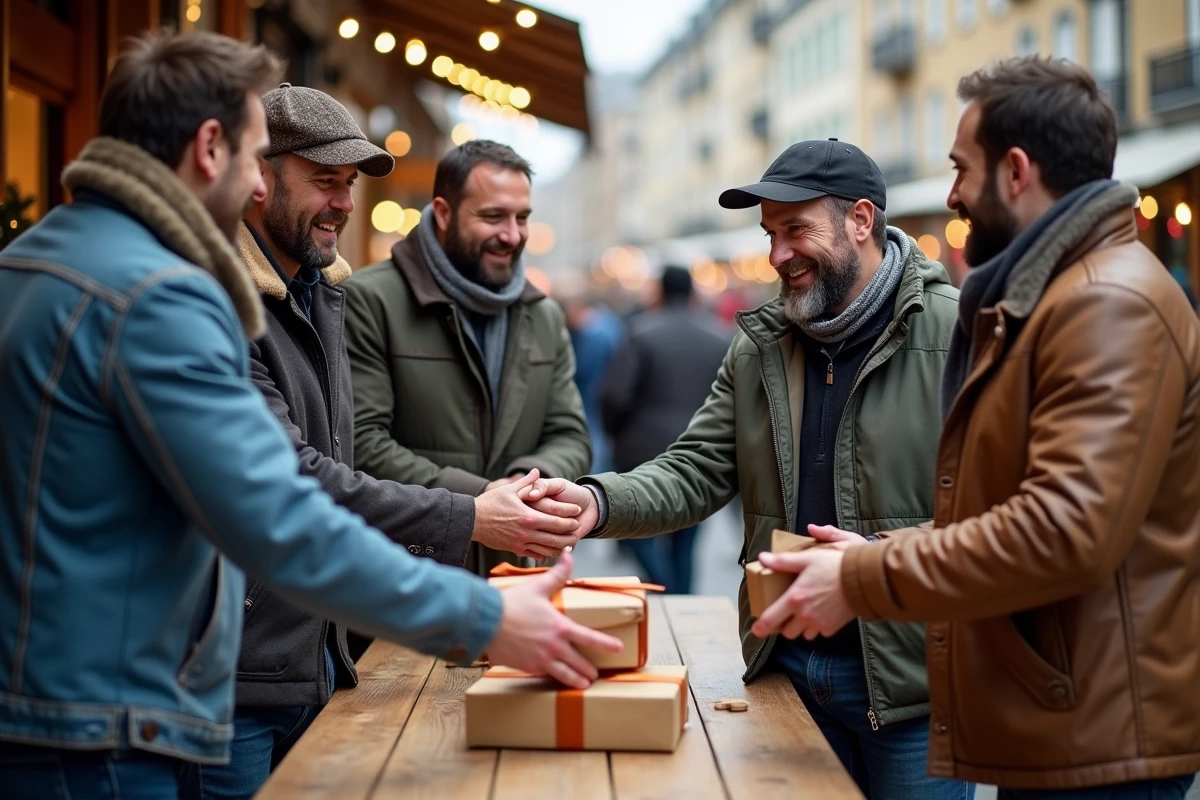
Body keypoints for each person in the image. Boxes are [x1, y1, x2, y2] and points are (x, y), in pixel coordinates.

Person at [0, 31, 619, 799]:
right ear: (210, 148)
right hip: (102, 725)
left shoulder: (39, 258)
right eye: (262, 160)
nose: (260, 189)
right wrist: (479, 612)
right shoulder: (160, 293)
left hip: (76, 704)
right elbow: (280, 509)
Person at [751, 57, 1200, 799]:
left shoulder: (1105, 303)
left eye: (963, 168)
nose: (953, 194)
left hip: (1103, 734)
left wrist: (863, 576)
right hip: (1071, 720)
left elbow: (1062, 531)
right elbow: (1012, 510)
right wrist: (878, 552)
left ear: (1016, 170)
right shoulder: (1061, 296)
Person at [180, 84, 584, 800]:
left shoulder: (321, 292)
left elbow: (566, 429)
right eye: (324, 181)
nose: (343, 202)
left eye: (349, 185)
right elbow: (310, 473)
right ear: (257, 178)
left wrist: (527, 488)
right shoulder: (224, 301)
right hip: (235, 673)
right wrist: (474, 513)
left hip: (318, 652)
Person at [536, 139, 971, 799]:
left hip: (913, 684)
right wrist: (595, 501)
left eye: (796, 229)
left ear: (861, 220)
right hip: (787, 670)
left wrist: (874, 563)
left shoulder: (958, 332)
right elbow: (697, 468)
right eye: (770, 233)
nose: (777, 255)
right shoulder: (762, 341)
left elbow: (998, 512)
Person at [343, 140, 592, 577]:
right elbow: (360, 442)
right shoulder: (369, 300)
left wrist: (528, 484)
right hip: (406, 578)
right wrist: (483, 500)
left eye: (522, 217)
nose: (512, 235)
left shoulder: (543, 314)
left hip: (520, 576)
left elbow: (571, 434)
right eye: (493, 216)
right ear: (443, 213)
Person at [599, 265, 729, 593]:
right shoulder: (719, 335)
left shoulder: (640, 332)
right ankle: (681, 597)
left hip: (642, 447)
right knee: (686, 541)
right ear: (693, 292)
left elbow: (615, 394)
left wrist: (616, 432)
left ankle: (662, 585)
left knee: (636, 529)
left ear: (659, 291)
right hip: (702, 446)